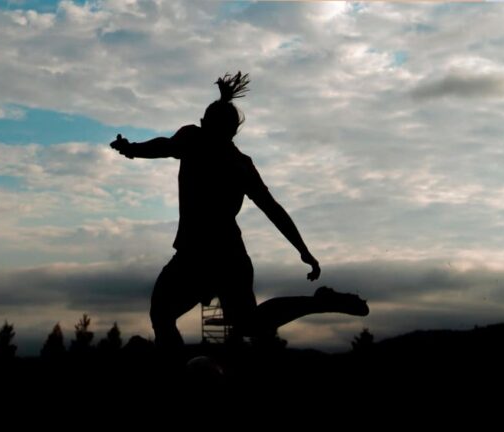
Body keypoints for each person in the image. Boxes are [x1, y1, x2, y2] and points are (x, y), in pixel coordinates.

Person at [110, 72, 368, 347]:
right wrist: (303, 250)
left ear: (203, 123)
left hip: (197, 255)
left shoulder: (195, 140)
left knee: (162, 313)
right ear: (234, 132)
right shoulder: (240, 162)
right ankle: (319, 303)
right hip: (229, 256)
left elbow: (165, 146)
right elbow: (273, 209)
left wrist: (132, 149)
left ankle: (179, 375)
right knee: (249, 322)